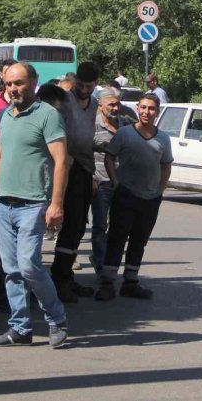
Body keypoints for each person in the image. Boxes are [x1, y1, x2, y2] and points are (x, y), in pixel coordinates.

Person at [0, 62, 69, 348]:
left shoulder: (48, 115)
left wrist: (56, 203)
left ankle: (56, 318)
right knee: (11, 270)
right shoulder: (6, 116)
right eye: (9, 84)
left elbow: (61, 161)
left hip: (34, 203)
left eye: (19, 83)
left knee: (29, 266)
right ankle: (20, 328)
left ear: (33, 82)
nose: (13, 89)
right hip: (5, 203)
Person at [95, 93, 173, 301]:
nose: (147, 112)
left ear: (157, 111)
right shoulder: (124, 134)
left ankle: (131, 282)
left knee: (139, 241)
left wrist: (160, 190)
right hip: (125, 195)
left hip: (150, 199)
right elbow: (109, 157)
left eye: (152, 109)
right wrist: (116, 182)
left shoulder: (163, 138)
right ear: (138, 109)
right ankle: (107, 283)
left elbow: (166, 165)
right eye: (144, 108)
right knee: (116, 239)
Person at [50, 62, 100, 303]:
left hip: (84, 168)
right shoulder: (64, 101)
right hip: (66, 167)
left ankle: (66, 274)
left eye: (88, 85)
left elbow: (89, 136)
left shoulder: (94, 105)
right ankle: (59, 278)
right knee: (70, 225)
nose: (83, 89)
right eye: (80, 84)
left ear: (95, 85)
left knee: (79, 226)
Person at [91, 88, 132, 276]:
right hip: (100, 182)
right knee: (100, 225)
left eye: (118, 104)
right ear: (100, 106)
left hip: (122, 182)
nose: (116, 108)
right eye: (111, 104)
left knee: (119, 226)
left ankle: (109, 261)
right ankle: (100, 264)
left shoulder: (125, 124)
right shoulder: (92, 125)